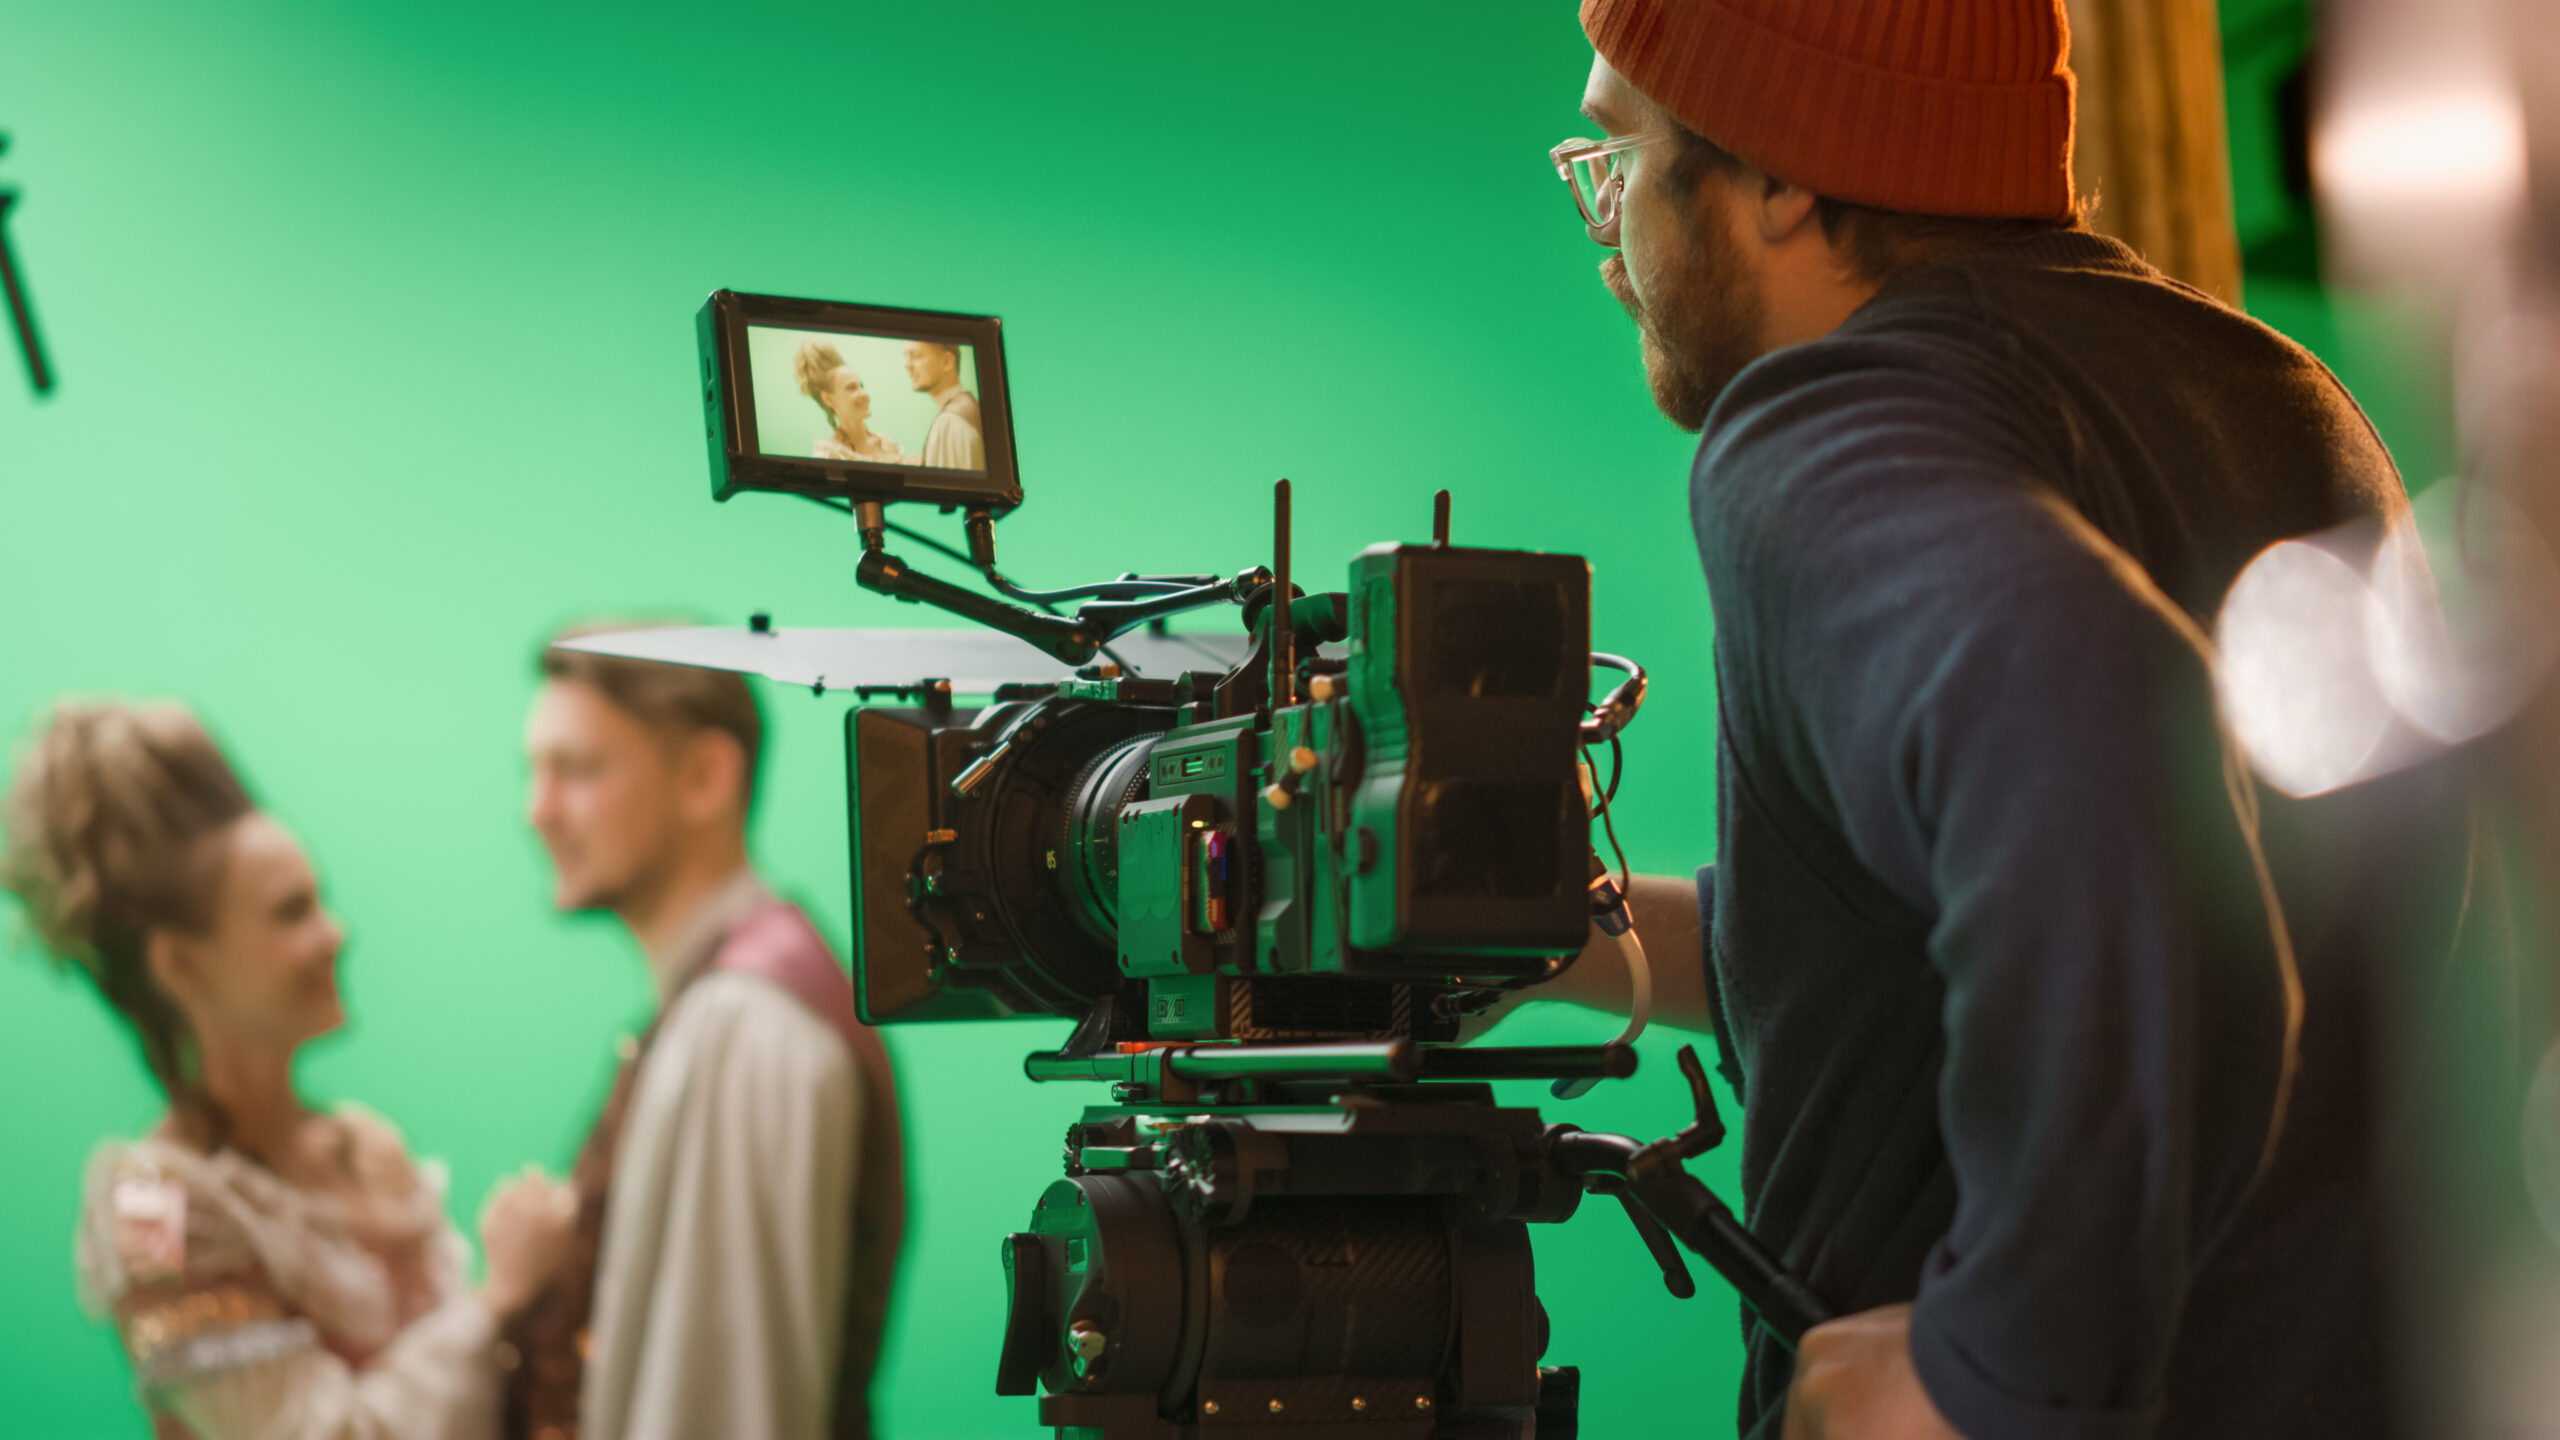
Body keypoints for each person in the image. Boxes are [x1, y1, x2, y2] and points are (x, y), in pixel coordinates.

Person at [1541, 2, 2466, 1436]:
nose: (1607, 232)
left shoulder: (1821, 429)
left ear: (1781, 171)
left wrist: (1998, 1371)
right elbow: (1972, 934)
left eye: (1621, 155)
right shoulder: (2279, 399)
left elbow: (2100, 741)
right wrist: (1545, 937)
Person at [0, 699, 577, 1440]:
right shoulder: (150, 1205)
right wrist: (497, 1298)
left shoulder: (369, 1147)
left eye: (321, 901)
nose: (335, 934)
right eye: (292, 912)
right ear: (181, 964)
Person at [511, 635, 906, 1440]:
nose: (538, 809)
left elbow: (723, 1409)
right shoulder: (727, 1004)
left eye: (577, 770)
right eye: (535, 771)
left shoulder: (745, 1027)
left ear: (704, 777)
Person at [792, 340, 909, 464]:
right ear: (828, 399)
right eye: (851, 388)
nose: (864, 394)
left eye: (861, 386)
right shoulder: (829, 455)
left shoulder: (887, 444)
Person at [903, 340, 984, 469]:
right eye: (906, 356)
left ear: (947, 362)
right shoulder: (965, 409)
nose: (907, 365)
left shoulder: (951, 421)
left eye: (916, 355)